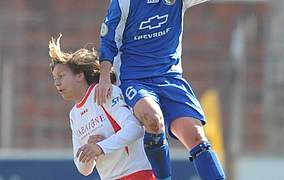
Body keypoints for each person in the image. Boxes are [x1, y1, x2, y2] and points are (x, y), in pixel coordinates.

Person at [95, 0, 226, 180]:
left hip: (170, 78)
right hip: (134, 79)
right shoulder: (124, 2)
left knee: (196, 137)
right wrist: (104, 79)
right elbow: (108, 40)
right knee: (153, 119)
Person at [48, 34, 155, 180]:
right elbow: (83, 169)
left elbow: (135, 129)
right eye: (55, 79)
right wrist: (90, 148)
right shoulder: (74, 115)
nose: (57, 83)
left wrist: (99, 147)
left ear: (79, 75)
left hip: (137, 173)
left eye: (61, 76)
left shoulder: (103, 92)